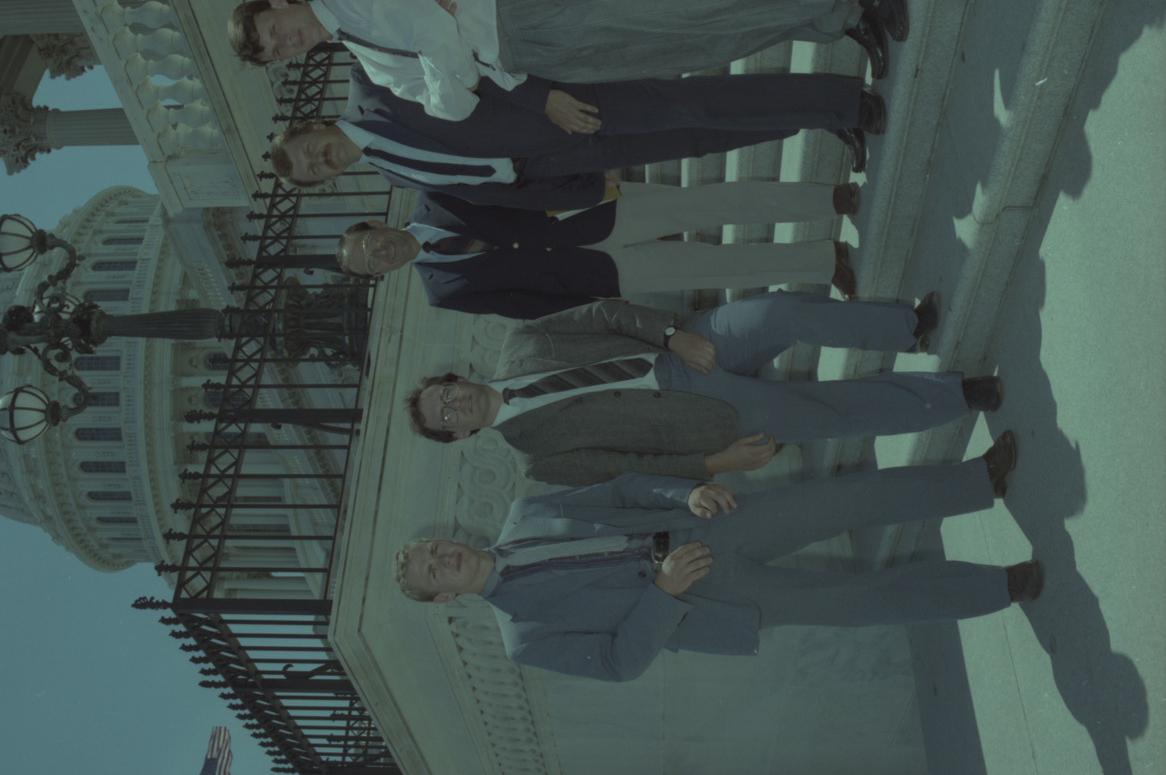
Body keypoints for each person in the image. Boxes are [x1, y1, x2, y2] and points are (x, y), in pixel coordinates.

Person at [392, 445, 1043, 683]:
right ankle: (1000, 586)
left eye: (434, 550)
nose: (444, 558)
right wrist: (665, 594)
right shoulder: (522, 640)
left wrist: (686, 493)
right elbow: (620, 664)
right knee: (855, 601)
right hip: (710, 601)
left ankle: (976, 481)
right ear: (445, 599)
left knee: (840, 498)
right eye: (435, 573)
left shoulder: (524, 513)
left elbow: (621, 490)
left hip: (706, 526)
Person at [403, 293, 1007, 487]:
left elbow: (605, 315)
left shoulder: (523, 343)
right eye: (447, 416)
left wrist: (669, 335)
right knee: (832, 414)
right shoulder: (538, 457)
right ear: (461, 434)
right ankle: (958, 395)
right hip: (702, 420)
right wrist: (716, 462)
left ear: (458, 378)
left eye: (446, 393)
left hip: (688, 353)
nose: (454, 403)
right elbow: (632, 470)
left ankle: (906, 326)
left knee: (777, 313)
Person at [227, 0, 908, 120]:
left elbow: (437, 33)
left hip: (525, 15)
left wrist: (448, 50)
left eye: (275, 28)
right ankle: (837, 16)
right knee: (692, 47)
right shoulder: (370, 68)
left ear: (282, 2)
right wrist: (450, 55)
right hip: (535, 61)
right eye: (278, 51)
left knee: (686, 1)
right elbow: (451, 105)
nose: (288, 41)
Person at [270, 63, 885, 210]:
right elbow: (489, 190)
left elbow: (466, 64)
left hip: (560, 112)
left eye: (309, 150)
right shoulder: (393, 176)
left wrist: (545, 97)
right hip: (566, 157)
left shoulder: (372, 83)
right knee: (700, 140)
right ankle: (825, 117)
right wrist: (575, 187)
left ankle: (843, 98)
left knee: (692, 100)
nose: (320, 159)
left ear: (315, 126)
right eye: (314, 170)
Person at [337, 181, 864, 317]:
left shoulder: (436, 196)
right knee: (713, 265)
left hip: (591, 211)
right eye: (371, 264)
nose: (380, 253)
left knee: (710, 204)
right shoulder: (440, 292)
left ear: (377, 225)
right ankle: (823, 261)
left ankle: (824, 200)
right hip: (597, 275)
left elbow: (515, 179)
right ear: (380, 276)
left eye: (369, 243)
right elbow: (520, 305)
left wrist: (580, 182)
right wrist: (592, 300)